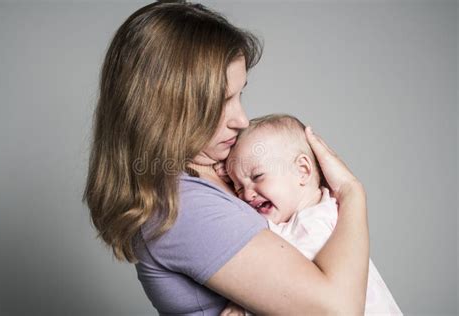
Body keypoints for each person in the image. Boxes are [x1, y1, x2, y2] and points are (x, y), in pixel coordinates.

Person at [82, 1, 369, 315]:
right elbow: (338, 311)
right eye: (220, 102)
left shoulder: (229, 165)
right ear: (163, 107)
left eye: (240, 94)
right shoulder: (181, 207)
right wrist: (352, 193)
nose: (242, 120)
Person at [220, 114, 402, 315]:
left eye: (257, 176)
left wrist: (242, 303)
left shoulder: (313, 223)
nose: (247, 194)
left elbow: (286, 285)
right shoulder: (321, 209)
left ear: (303, 170)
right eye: (237, 187)